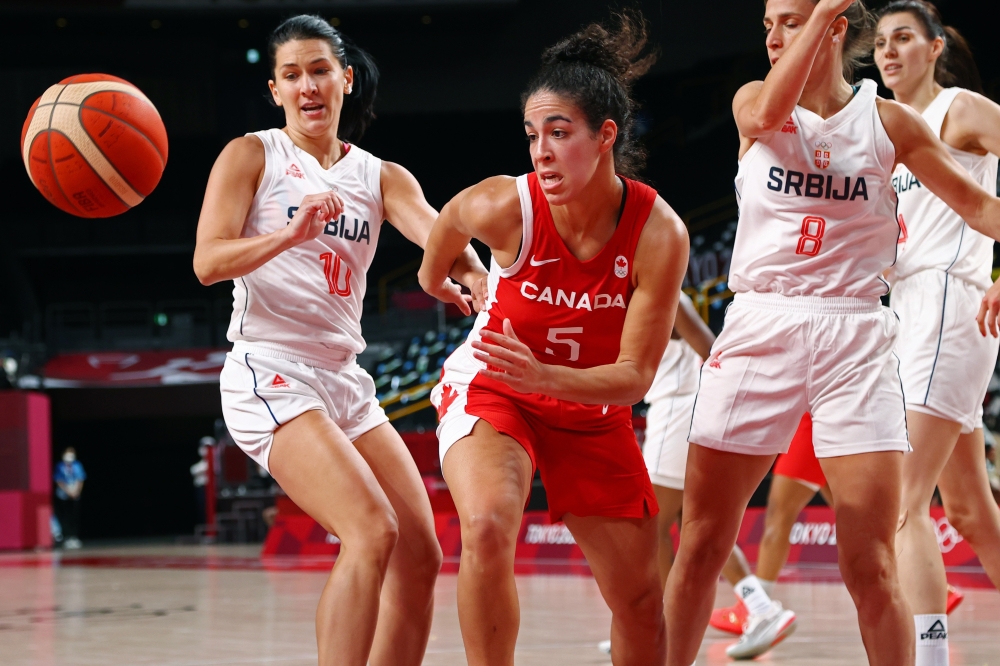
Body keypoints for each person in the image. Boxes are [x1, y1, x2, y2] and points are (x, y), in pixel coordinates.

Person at [663, 1, 1000, 665]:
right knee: (701, 542)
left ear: (839, 26)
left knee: (871, 560)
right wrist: (816, 13)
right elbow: (762, 120)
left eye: (789, 20)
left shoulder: (890, 121)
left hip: (858, 331)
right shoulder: (755, 101)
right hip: (763, 321)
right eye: (769, 24)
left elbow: (980, 206)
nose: (774, 34)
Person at [192, 15, 486, 666]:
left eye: (320, 70)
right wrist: (287, 236)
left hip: (344, 381)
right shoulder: (253, 155)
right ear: (275, 90)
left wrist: (472, 276)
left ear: (346, 79)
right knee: (370, 530)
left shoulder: (380, 177)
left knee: (421, 553)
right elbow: (208, 261)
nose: (308, 86)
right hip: (271, 371)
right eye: (292, 75)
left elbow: (441, 235)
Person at [419, 13, 689, 665]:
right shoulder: (503, 205)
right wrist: (450, 281)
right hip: (494, 391)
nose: (540, 150)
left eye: (559, 133)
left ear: (605, 137)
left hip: (593, 412)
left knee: (640, 601)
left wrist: (546, 376)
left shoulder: (659, 234)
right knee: (485, 527)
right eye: (532, 134)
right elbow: (447, 226)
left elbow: (634, 378)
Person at [873, 3, 1000, 663]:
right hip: (910, 312)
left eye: (903, 39)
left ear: (935, 45)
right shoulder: (889, 130)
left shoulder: (962, 108)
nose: (889, 52)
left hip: (952, 302)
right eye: (881, 43)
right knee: (972, 515)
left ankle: (929, 659)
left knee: (902, 505)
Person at [601, 294, 794, 659]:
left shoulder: (671, 296)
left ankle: (654, 627)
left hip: (678, 407)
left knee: (654, 526)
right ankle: (760, 607)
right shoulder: (630, 291)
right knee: (697, 527)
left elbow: (710, 347)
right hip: (678, 409)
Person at [53, 447, 85, 549]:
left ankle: (74, 537)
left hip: (75, 494)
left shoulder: (77, 465)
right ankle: (67, 537)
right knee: (65, 516)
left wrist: (76, 491)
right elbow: (58, 480)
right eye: (67, 453)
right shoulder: (60, 466)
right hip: (63, 495)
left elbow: (81, 478)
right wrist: (67, 491)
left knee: (74, 516)